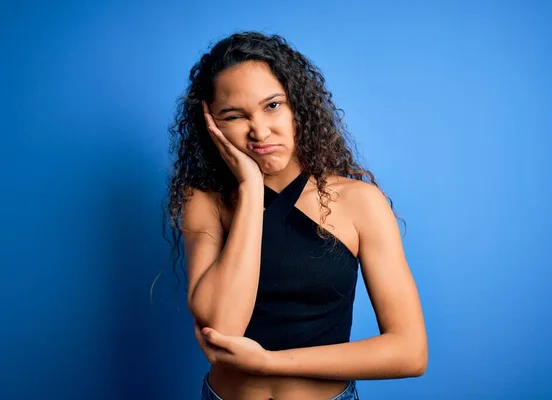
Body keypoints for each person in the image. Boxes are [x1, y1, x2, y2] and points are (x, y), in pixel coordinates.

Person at [164, 31, 427, 400]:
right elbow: (223, 327)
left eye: (272, 106)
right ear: (213, 125)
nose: (259, 131)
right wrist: (252, 188)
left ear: (298, 107)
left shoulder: (360, 203)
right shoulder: (206, 202)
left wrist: (268, 363)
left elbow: (409, 352)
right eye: (235, 115)